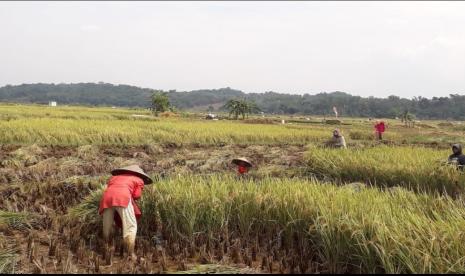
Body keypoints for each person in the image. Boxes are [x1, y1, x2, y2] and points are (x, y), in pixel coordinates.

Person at [98, 165, 153, 261]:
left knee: (107, 226)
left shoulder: (114, 178)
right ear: (139, 174)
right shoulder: (138, 179)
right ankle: (130, 254)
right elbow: (137, 195)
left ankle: (106, 250)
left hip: (106, 198)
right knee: (131, 226)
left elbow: (111, 189)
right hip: (122, 198)